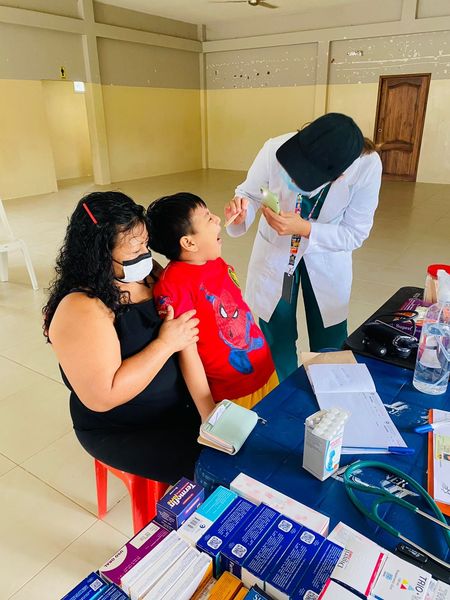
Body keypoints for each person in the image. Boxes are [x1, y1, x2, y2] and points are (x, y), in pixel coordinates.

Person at [43, 191, 202, 484]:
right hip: (126, 427)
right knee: (213, 469)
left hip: (180, 406)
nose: (144, 254)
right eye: (134, 248)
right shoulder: (81, 308)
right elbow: (104, 396)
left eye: (145, 243)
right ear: (100, 253)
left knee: (247, 441)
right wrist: (165, 344)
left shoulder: (144, 272)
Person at [225, 112, 382, 381]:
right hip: (277, 254)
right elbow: (249, 193)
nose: (295, 181)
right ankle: (281, 391)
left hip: (326, 255)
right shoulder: (275, 148)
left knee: (329, 337)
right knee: (276, 332)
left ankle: (329, 390)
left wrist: (306, 229)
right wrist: (242, 212)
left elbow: (355, 233)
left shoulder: (366, 166)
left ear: (338, 176)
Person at [147, 192, 277, 415]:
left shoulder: (214, 262)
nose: (217, 219)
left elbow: (241, 311)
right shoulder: (173, 286)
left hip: (266, 371)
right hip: (233, 393)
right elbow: (187, 352)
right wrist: (206, 409)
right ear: (189, 242)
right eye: (208, 217)